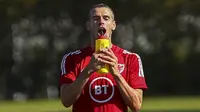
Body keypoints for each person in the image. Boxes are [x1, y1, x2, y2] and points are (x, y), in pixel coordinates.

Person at [59, 3, 148, 112]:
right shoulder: (72, 59)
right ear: (88, 25)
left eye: (106, 18)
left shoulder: (131, 58)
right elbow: (66, 101)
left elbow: (136, 105)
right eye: (96, 19)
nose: (101, 22)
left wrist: (116, 74)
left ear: (113, 25)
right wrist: (88, 70)